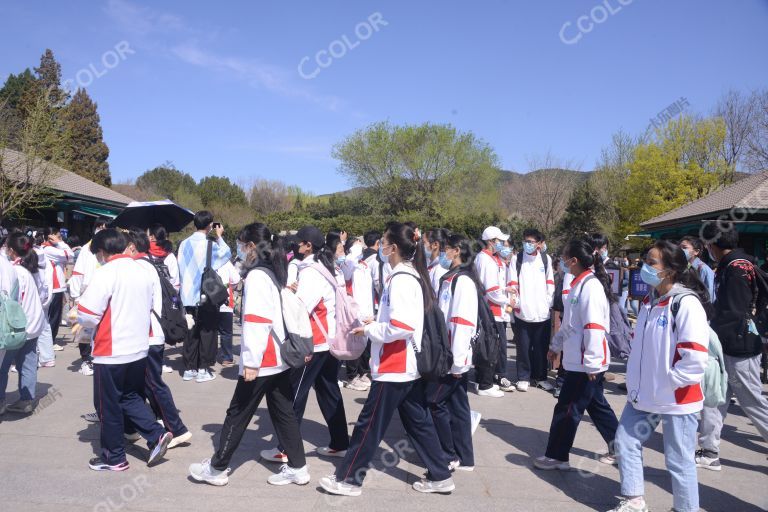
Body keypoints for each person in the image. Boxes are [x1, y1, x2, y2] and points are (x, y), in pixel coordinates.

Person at [319, 222, 455, 496]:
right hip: (404, 365)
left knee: (369, 426)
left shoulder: (402, 278)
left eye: (383, 242)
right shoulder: (408, 275)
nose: (380, 246)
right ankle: (440, 474)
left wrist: (370, 329)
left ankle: (349, 479)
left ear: (393, 247)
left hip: (396, 364)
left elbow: (402, 326)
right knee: (418, 422)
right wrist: (377, 320)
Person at [189, 223, 310, 486]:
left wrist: (251, 362)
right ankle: (299, 468)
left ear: (252, 247)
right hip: (277, 358)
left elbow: (257, 321)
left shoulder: (257, 276)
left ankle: (217, 467)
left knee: (238, 412)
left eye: (242, 245)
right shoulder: (272, 272)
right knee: (283, 412)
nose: (240, 250)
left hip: (262, 359)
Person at [608, 240, 710, 512]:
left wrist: (669, 382)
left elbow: (696, 358)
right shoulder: (648, 302)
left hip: (677, 397)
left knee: (678, 461)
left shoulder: (686, 304)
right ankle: (634, 500)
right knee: (625, 441)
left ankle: (685, 508)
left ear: (671, 270)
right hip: (644, 394)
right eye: (645, 261)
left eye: (651, 263)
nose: (644, 267)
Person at [76, 228, 173, 471]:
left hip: (112, 349)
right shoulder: (140, 270)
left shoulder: (107, 272)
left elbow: (87, 314)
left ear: (102, 251)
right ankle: (156, 433)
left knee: (108, 404)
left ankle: (114, 457)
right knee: (130, 397)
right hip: (138, 347)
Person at [261, 226, 349, 463]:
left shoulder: (311, 272)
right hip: (327, 341)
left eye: (298, 243)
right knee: (329, 392)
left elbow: (301, 308)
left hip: (314, 344)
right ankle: (340, 442)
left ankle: (285, 448)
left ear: (308, 245)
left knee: (293, 396)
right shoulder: (328, 267)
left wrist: (285, 294)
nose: (294, 246)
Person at [533, 239, 618, 470]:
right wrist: (556, 344)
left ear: (574, 261)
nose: (561, 261)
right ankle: (622, 449)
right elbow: (570, 323)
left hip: (585, 364)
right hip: (579, 361)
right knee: (597, 406)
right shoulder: (579, 285)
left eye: (563, 257)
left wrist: (592, 363)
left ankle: (557, 455)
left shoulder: (590, 287)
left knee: (567, 410)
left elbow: (593, 327)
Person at [697, 224, 768, 471]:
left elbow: (734, 312)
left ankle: (709, 450)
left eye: (706, 244)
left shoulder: (735, 269)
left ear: (713, 244)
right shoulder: (734, 265)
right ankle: (709, 451)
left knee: (751, 401)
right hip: (729, 344)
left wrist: (709, 327)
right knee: (715, 398)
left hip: (738, 346)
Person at [125, 228, 192, 449]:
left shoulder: (139, 269)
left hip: (148, 334)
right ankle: (132, 427)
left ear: (133, 247)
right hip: (149, 333)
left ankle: (176, 428)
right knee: (139, 384)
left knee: (152, 383)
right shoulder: (149, 266)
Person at [431, 233, 478, 471]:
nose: (442, 253)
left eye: (446, 249)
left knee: (434, 401)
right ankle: (465, 457)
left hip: (453, 357)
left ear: (456, 250)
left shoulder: (463, 281)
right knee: (458, 407)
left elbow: (462, 323)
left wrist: (458, 362)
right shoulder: (451, 278)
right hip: (449, 354)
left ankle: (448, 454)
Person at [177, 211, 231, 383]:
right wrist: (220, 236)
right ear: (210, 226)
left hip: (187, 296)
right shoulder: (211, 244)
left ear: (194, 224)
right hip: (205, 295)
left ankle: (189, 368)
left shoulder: (183, 244)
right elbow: (226, 254)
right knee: (207, 332)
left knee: (191, 332)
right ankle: (203, 369)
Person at [0, 232, 45, 415]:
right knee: (28, 363)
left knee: (3, 366)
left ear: (11, 250)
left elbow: (11, 302)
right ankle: (27, 399)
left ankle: (1, 401)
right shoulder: (31, 267)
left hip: (18, 327)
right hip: (34, 324)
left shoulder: (13, 270)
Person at [508, 228, 555, 392]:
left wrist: (547, 302)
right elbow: (512, 282)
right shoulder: (517, 259)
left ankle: (540, 377)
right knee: (523, 347)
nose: (528, 244)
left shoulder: (545, 259)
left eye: (531, 242)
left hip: (542, 312)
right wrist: (517, 303)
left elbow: (550, 282)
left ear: (539, 244)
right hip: (523, 311)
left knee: (541, 347)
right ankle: (523, 377)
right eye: (526, 241)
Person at [474, 226, 513, 396]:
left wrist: (505, 291)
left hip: (493, 309)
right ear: (491, 241)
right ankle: (486, 382)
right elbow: (492, 290)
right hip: (492, 310)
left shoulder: (488, 259)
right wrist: (507, 299)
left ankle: (483, 380)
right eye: (499, 241)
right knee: (492, 347)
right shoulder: (486, 260)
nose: (502, 243)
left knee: (491, 346)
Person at [69, 217, 110, 377]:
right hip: (87, 293)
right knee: (85, 329)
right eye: (101, 227)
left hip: (104, 293)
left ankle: (96, 357)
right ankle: (86, 359)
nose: (102, 230)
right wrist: (76, 296)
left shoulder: (108, 248)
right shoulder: (87, 249)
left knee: (99, 329)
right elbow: (78, 273)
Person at [345, 230, 381, 392]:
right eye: (356, 247)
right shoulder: (349, 265)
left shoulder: (364, 265)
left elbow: (370, 289)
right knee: (353, 344)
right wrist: (354, 250)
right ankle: (352, 376)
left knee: (364, 344)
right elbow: (348, 267)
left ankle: (362, 373)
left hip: (366, 310)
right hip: (354, 311)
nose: (360, 249)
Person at [40, 227, 73, 345]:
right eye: (58, 236)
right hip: (54, 287)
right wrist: (60, 243)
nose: (61, 239)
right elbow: (70, 255)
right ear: (51, 236)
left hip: (56, 287)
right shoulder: (48, 249)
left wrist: (58, 243)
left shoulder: (51, 248)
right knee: (53, 317)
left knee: (55, 317)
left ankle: (50, 341)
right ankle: (50, 343)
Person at [216, 258, 241, 367]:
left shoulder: (205, 259)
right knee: (226, 332)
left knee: (209, 330)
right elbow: (236, 279)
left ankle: (208, 357)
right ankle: (227, 358)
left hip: (207, 301)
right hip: (225, 302)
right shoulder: (226, 262)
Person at [679, 235, 716, 303]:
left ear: (696, 251)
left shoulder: (703, 269)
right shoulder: (683, 269)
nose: (681, 250)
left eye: (684, 248)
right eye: (679, 248)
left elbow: (711, 296)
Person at [424, 228, 450, 293]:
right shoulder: (432, 266)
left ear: (435, 245)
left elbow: (437, 299)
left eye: (423, 243)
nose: (420, 246)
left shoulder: (440, 270)